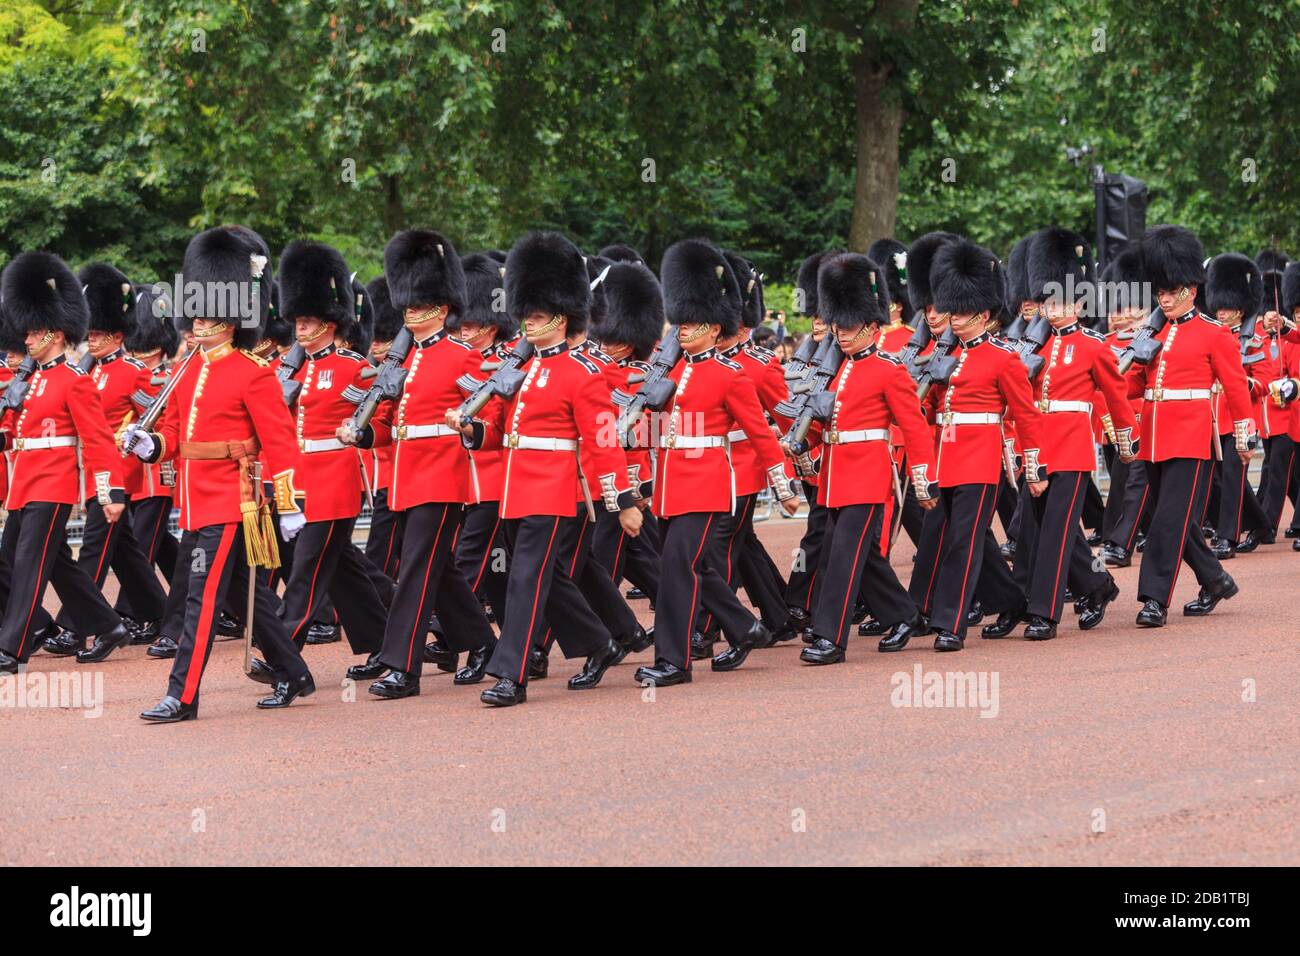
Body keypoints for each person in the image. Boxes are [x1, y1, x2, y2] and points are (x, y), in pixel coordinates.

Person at [120, 225, 315, 721]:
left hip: (233, 500)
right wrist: (150, 446)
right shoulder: (187, 371)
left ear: (231, 320)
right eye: (197, 314)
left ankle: (181, 695)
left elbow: (280, 441)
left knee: (197, 599)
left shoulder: (253, 372)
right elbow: (172, 437)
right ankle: (294, 671)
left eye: (209, 315)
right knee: (240, 597)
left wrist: (290, 502)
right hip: (194, 499)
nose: (198, 323)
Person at [450, 231, 642, 706]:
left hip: (555, 490)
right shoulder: (520, 370)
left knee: (525, 578)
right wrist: (468, 428)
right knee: (548, 578)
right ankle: (600, 644)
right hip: (516, 487)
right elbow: (497, 434)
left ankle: (510, 675)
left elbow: (602, 443)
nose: (528, 325)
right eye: (526, 316)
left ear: (560, 317)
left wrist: (623, 501)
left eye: (536, 317)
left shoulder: (583, 372)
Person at [632, 238, 799, 687]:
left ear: (713, 328)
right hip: (670, 481)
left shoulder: (731, 375)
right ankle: (745, 627)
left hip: (706, 482)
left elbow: (762, 433)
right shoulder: (669, 370)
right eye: (680, 323)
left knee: (676, 568)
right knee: (696, 567)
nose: (682, 330)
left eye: (692, 324)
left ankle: (674, 661)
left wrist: (782, 481)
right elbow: (651, 423)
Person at [344, 229, 497, 700]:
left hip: (444, 473)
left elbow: (487, 415)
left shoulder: (461, 356)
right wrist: (364, 432)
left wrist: (469, 428)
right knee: (440, 566)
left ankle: (401, 664)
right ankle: (484, 643)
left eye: (419, 304)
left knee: (415, 565)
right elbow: (392, 422)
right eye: (407, 304)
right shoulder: (403, 360)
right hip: (408, 473)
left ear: (442, 308)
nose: (410, 312)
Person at [896, 237, 1049, 652]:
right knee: (957, 536)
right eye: (952, 311)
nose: (954, 319)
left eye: (963, 313)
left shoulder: (1004, 359)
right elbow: (924, 411)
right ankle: (1011, 600)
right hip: (946, 458)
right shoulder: (943, 356)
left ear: (983, 314)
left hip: (981, 460)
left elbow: (1025, 414)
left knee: (962, 541)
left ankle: (951, 622)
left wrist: (1033, 466)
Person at [795, 252, 937, 664]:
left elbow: (912, 426)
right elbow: (826, 421)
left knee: (842, 555)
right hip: (836, 474)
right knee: (866, 558)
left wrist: (924, 476)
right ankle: (906, 614)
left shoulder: (889, 369)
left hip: (867, 474)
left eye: (849, 325)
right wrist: (803, 444)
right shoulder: (836, 370)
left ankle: (830, 637)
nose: (840, 332)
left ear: (873, 327)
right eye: (837, 324)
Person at [0, 252, 132, 675]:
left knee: (29, 566)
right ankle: (109, 625)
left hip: (54, 484)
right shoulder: (32, 379)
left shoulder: (75, 381)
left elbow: (97, 441)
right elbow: (17, 434)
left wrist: (108, 492)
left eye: (34, 331)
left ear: (55, 334)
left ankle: (12, 648)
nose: (27, 337)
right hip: (26, 483)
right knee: (52, 564)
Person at [1125, 226, 1255, 627]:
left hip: (1192, 436)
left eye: (1171, 290)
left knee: (1168, 519)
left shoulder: (1215, 335)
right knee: (1179, 519)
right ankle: (1215, 580)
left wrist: (1245, 435)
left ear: (1191, 289)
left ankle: (1154, 599)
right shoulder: (1154, 332)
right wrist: (1129, 358)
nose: (1164, 297)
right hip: (1154, 436)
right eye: (1160, 290)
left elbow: (1235, 387)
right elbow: (1134, 386)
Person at [41, 263, 167, 662]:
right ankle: (162, 614)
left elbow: (156, 420)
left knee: (94, 548)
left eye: (97, 336)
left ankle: (78, 627)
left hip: (118, 472)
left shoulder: (133, 373)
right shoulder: (85, 372)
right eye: (89, 335)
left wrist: (136, 437)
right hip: (89, 469)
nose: (90, 341)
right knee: (127, 552)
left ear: (116, 335)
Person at [1014, 227, 1133, 640]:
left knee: (1056, 532)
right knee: (1058, 531)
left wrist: (1125, 437)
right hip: (1040, 448)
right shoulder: (1035, 347)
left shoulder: (1094, 346)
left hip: (1073, 447)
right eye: (1048, 301)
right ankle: (1098, 585)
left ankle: (1044, 612)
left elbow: (1116, 396)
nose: (1053, 308)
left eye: (1061, 301)